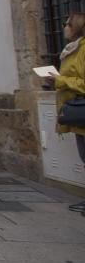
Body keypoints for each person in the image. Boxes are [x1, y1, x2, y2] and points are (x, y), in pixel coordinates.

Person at [48, 12, 85, 164]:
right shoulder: (71, 49)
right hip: (79, 114)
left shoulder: (82, 50)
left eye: (67, 24)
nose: (64, 27)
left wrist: (60, 80)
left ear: (75, 28)